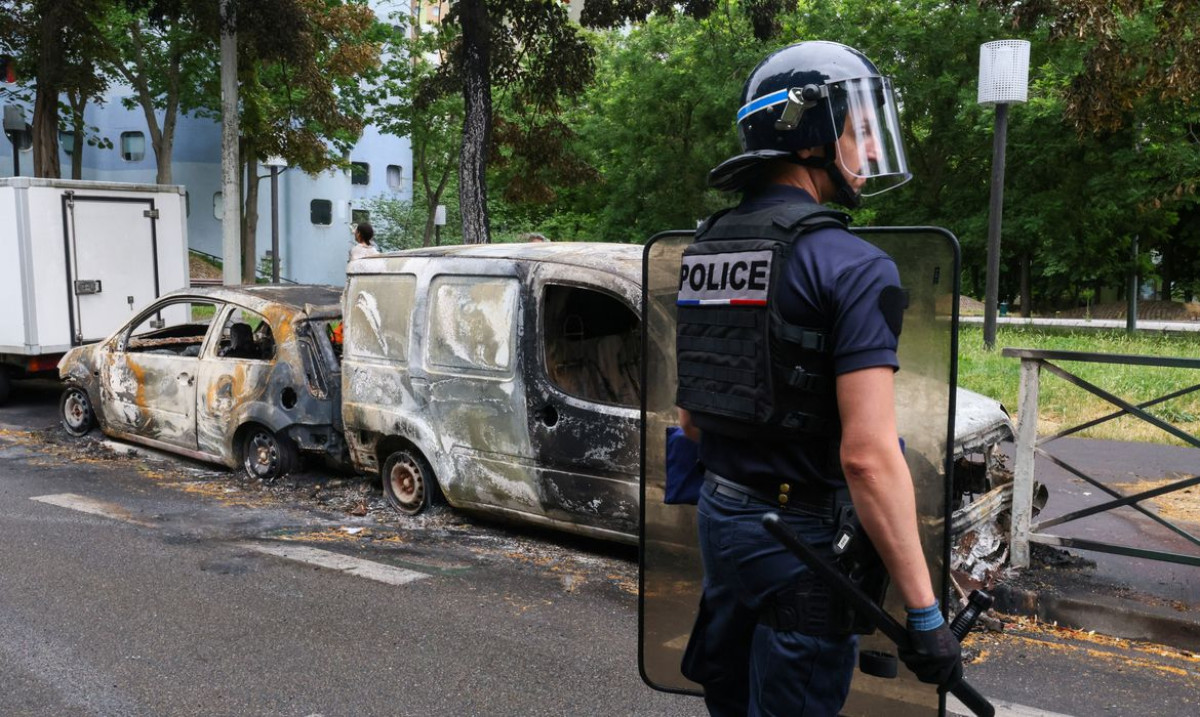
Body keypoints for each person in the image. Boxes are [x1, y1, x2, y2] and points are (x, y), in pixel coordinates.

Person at [676, 41, 962, 715]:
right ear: (806, 133)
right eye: (858, 130)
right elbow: (867, 456)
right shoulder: (855, 267)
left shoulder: (705, 249)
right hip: (801, 542)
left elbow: (691, 418)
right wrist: (925, 613)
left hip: (723, 523)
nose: (867, 150)